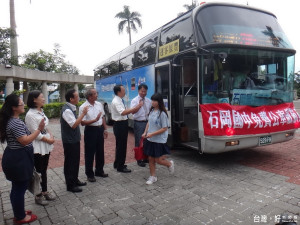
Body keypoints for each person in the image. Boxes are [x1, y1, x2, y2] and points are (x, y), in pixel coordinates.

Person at [0, 94, 45, 224]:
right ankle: (20, 217)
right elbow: (24, 141)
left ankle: (18, 212)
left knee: (17, 187)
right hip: (19, 159)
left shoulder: (12, 120)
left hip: (16, 157)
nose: (24, 105)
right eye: (21, 104)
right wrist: (39, 130)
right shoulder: (15, 122)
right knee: (19, 188)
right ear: (14, 107)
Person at [25, 90, 56, 206]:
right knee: (37, 171)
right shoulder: (30, 115)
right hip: (37, 145)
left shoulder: (41, 111)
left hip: (45, 144)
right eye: (41, 97)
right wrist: (48, 139)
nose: (44, 99)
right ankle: (37, 196)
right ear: (34, 99)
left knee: (44, 169)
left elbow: (45, 126)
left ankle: (45, 191)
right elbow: (35, 133)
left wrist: (51, 136)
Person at [142, 93, 174, 185]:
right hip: (150, 139)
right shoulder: (152, 111)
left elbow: (164, 128)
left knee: (158, 160)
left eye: (155, 100)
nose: (153, 102)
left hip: (159, 140)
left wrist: (152, 134)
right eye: (152, 100)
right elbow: (149, 123)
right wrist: (145, 132)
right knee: (150, 159)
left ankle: (169, 164)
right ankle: (153, 176)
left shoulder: (162, 113)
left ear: (159, 102)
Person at [61, 89, 89, 192]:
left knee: (75, 161)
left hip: (74, 139)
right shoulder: (67, 110)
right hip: (69, 141)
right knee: (70, 162)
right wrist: (83, 114)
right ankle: (70, 185)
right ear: (71, 99)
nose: (79, 98)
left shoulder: (71, 108)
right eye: (77, 97)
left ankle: (75, 179)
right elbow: (73, 125)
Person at [111, 84, 143, 173]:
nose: (125, 91)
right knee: (121, 146)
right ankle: (120, 166)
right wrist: (136, 107)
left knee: (119, 145)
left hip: (121, 124)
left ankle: (117, 163)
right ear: (119, 92)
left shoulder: (119, 100)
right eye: (123, 90)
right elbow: (123, 112)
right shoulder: (116, 101)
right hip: (120, 124)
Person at [79, 88, 108, 183]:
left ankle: (99, 170)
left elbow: (102, 117)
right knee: (89, 153)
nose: (97, 95)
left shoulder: (99, 104)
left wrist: (105, 129)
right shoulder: (83, 107)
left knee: (100, 151)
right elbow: (82, 123)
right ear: (90, 96)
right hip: (90, 130)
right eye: (95, 94)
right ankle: (89, 174)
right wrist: (94, 120)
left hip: (100, 129)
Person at [130, 84, 151, 167]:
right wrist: (139, 106)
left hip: (147, 122)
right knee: (139, 141)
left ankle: (145, 157)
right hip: (139, 122)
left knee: (147, 141)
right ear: (138, 91)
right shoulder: (134, 100)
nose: (143, 93)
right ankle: (139, 159)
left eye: (145, 91)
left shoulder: (148, 100)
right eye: (142, 91)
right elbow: (133, 112)